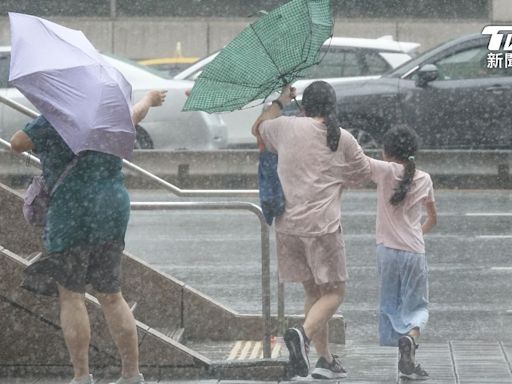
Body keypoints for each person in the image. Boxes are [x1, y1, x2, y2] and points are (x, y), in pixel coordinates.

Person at [10, 90, 167, 384]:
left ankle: (82, 375)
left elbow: (17, 144)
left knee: (71, 296)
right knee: (111, 294)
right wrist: (149, 99)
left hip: (73, 210)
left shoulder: (56, 117)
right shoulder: (107, 113)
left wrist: (47, 119)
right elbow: (135, 115)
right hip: (111, 207)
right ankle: (131, 374)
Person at [252, 81, 371, 379]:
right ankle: (302, 336)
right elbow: (363, 173)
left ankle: (324, 359)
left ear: (304, 107)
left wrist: (280, 100)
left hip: (288, 226)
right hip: (322, 228)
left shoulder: (285, 127)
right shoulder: (342, 138)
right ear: (333, 107)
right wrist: (338, 177)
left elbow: (258, 127)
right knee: (335, 293)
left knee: (313, 291)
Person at [366, 126, 437, 380]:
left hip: (386, 251)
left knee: (389, 305)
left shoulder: (384, 171)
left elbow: (357, 160)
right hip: (413, 252)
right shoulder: (425, 178)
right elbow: (432, 218)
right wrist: (415, 233)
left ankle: (401, 350)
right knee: (417, 306)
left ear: (386, 152)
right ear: (413, 152)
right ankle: (410, 339)